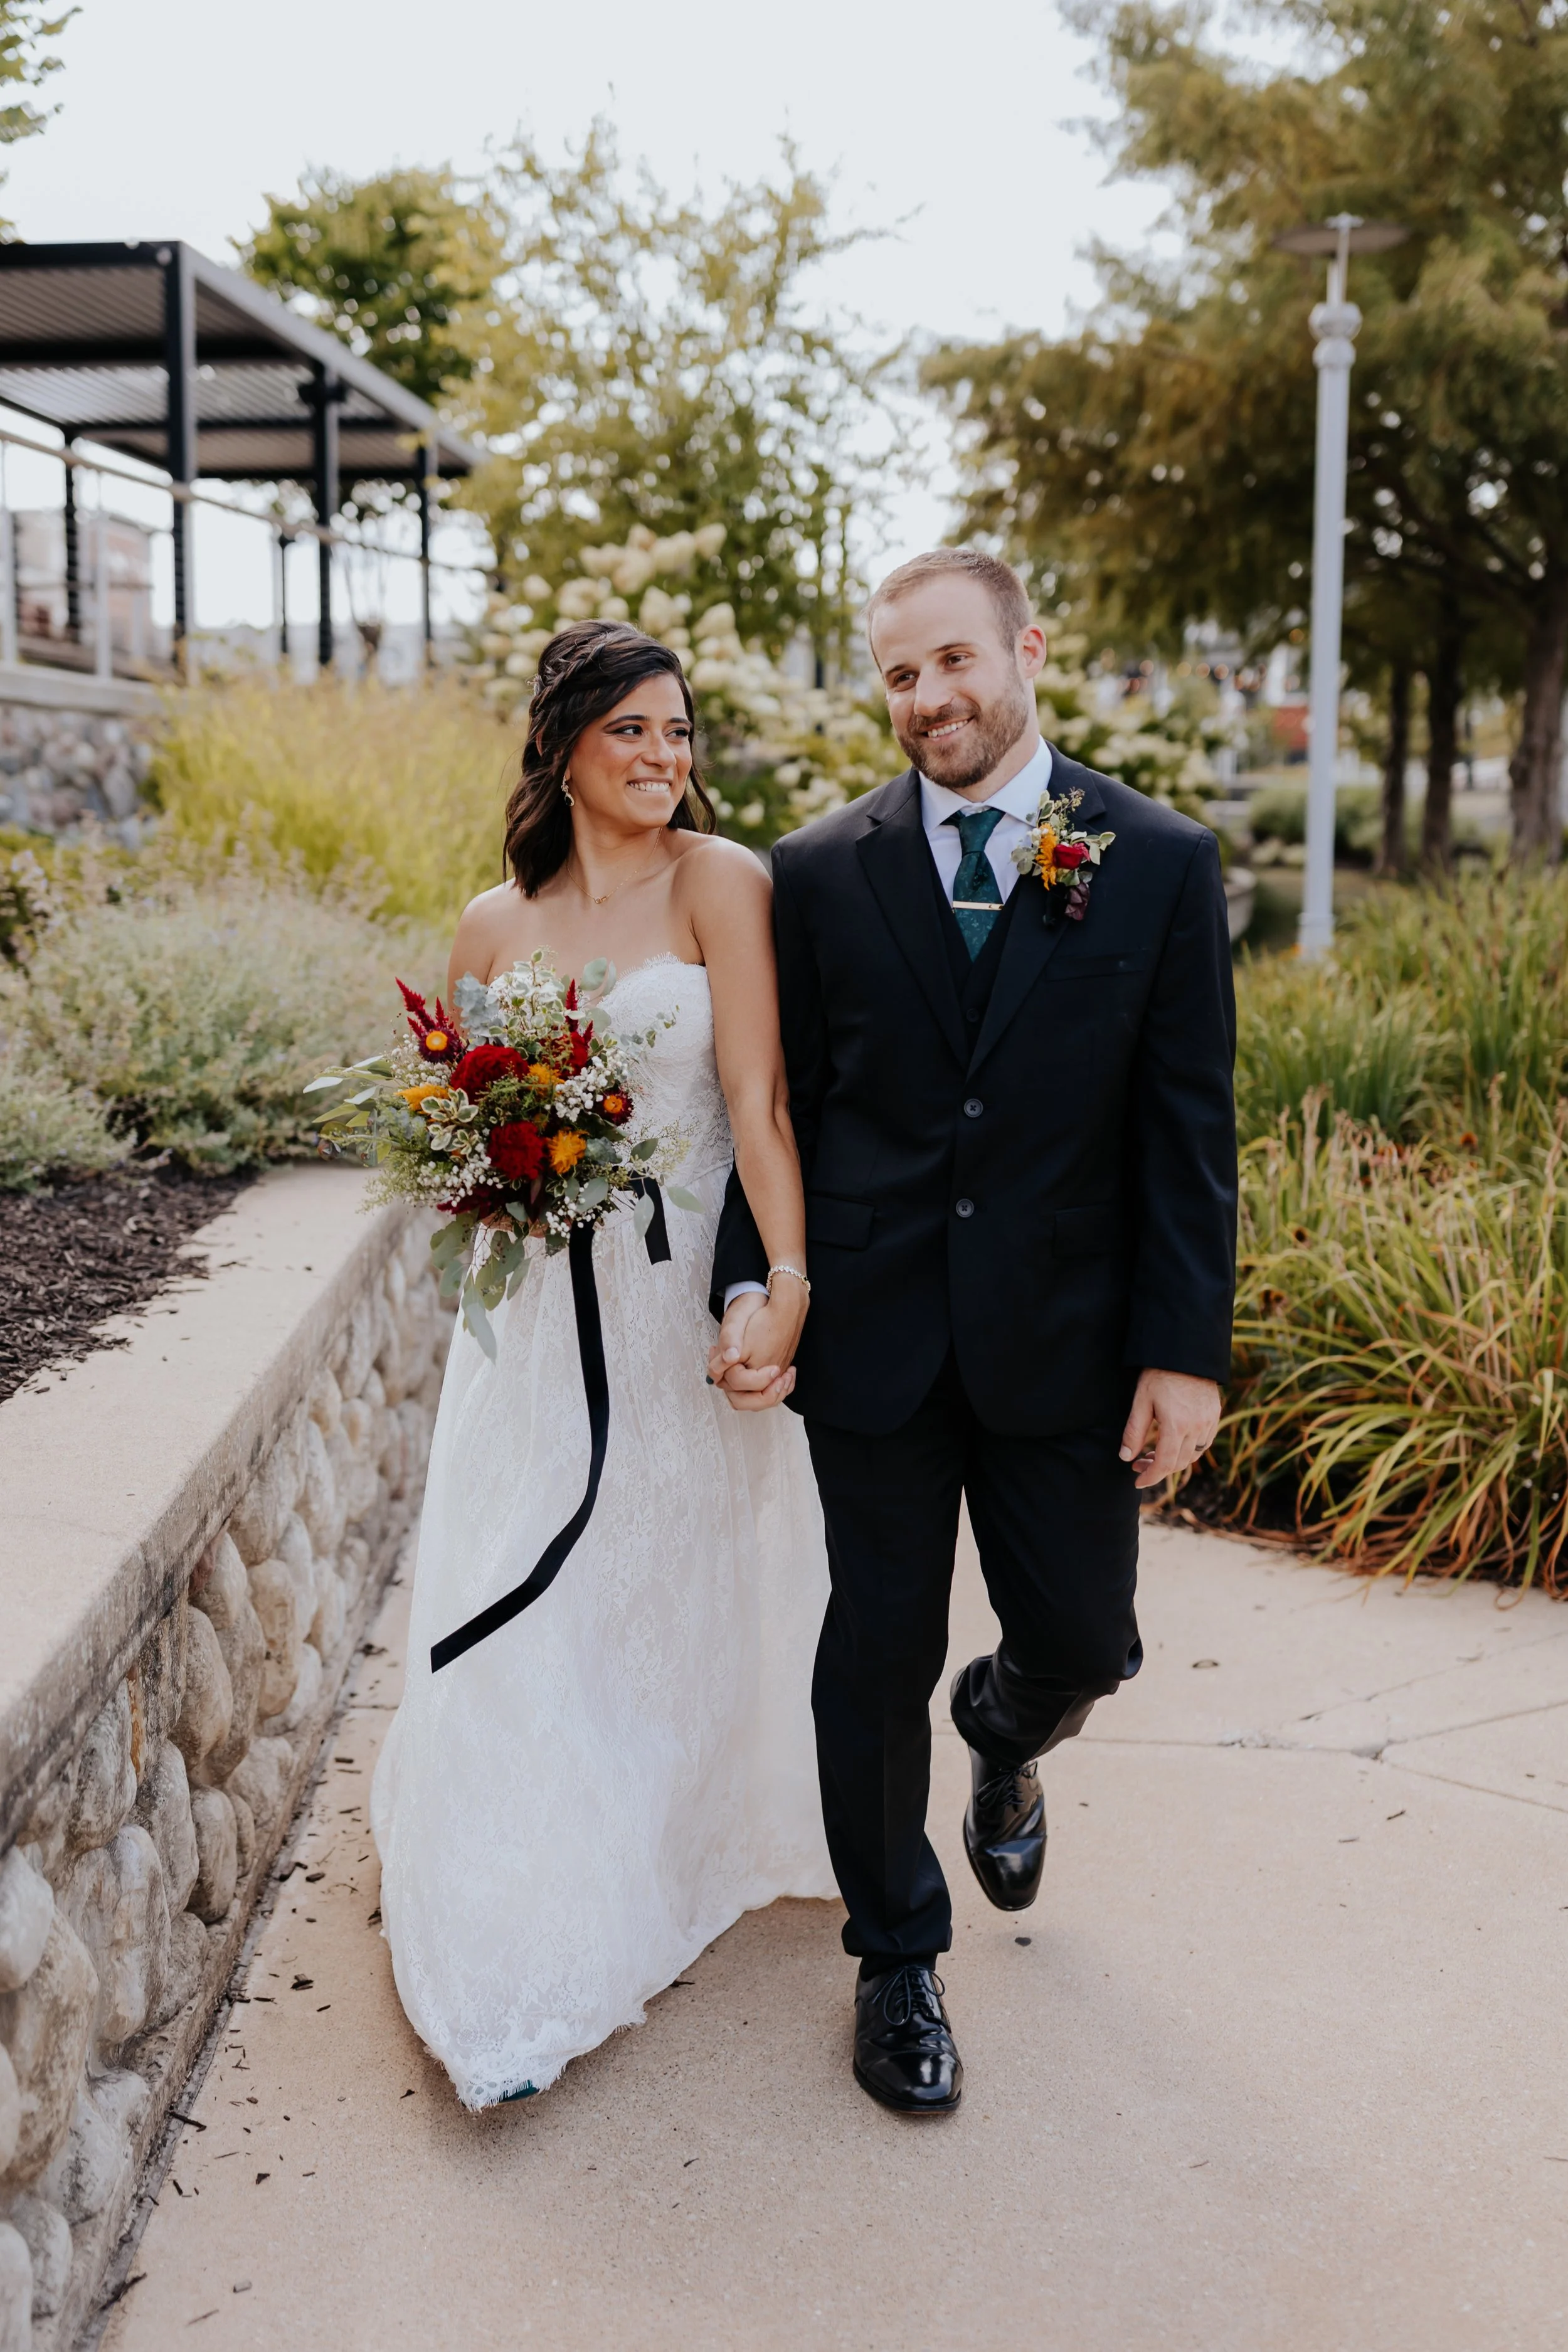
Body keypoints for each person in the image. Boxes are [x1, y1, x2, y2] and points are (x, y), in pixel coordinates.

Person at [710, 549, 1237, 2117]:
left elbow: (1185, 1130)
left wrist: (1183, 1349)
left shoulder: (1152, 858)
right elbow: (772, 1111)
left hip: (1064, 1337)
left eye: (951, 662)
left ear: (1025, 645)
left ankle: (1002, 1728)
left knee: (1084, 1636)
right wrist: (753, 1283)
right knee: (870, 1652)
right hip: (869, 1331)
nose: (927, 699)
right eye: (896, 675)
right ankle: (894, 1958)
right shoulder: (814, 872)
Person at [372, 622, 834, 2107]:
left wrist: (786, 1285)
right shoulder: (489, 923)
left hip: (673, 1306)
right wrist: (502, 1180)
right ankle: (534, 1906)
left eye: (678, 733)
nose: (662, 759)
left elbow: (758, 1104)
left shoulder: (723, 883)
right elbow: (453, 1124)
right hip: (533, 1325)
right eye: (631, 730)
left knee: (670, 1579)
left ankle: (664, 1840)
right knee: (535, 1586)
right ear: (562, 742)